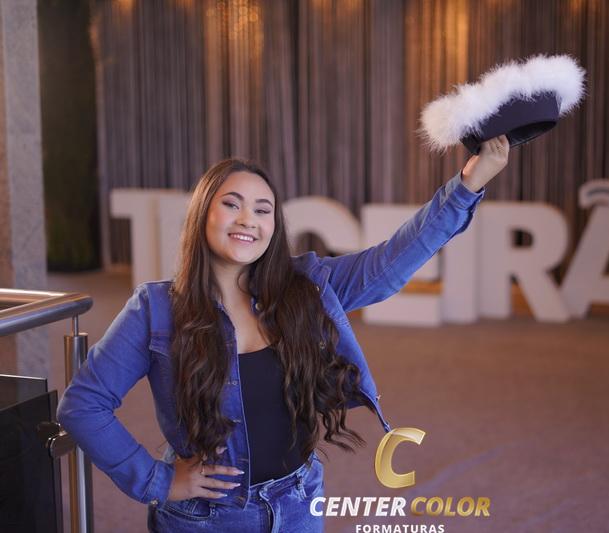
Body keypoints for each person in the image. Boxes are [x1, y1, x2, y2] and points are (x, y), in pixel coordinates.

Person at [57, 135, 510, 532]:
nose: (248, 219)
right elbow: (83, 404)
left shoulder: (304, 286)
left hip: (298, 502)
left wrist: (468, 183)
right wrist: (157, 480)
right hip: (209, 517)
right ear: (202, 213)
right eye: (231, 204)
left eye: (263, 209)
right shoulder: (155, 309)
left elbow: (389, 263)